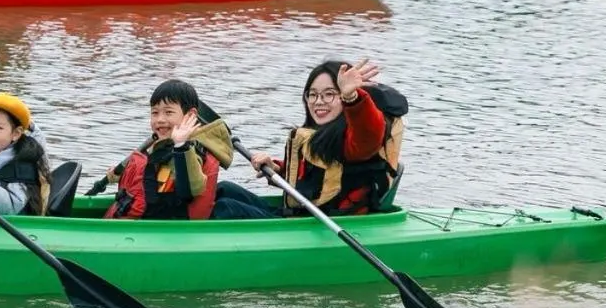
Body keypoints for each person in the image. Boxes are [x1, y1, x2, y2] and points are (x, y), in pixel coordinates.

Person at [247, 58, 406, 216]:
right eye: (313, 95)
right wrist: (276, 169)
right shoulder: (319, 135)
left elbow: (367, 134)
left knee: (232, 208)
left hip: (333, 221)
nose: (318, 101)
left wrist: (351, 97)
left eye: (329, 94)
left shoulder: (358, 141)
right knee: (231, 191)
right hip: (300, 216)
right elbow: (312, 180)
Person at [105, 80, 234, 220]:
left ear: (190, 115)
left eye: (168, 112)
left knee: (226, 199)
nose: (160, 119)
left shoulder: (190, 149)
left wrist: (181, 146)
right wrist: (121, 175)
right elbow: (152, 174)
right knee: (224, 189)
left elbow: (191, 188)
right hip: (160, 212)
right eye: (155, 113)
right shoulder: (165, 144)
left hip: (175, 221)